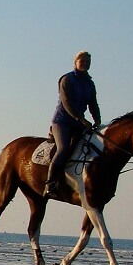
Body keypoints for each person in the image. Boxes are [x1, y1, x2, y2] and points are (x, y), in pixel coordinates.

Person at [45, 51, 101, 198]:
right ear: (75, 62)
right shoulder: (67, 79)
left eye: (88, 62)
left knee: (90, 147)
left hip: (79, 123)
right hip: (62, 122)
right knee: (63, 149)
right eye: (82, 61)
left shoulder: (90, 83)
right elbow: (67, 102)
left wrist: (97, 119)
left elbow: (93, 103)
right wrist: (81, 119)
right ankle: (50, 184)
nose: (85, 64)